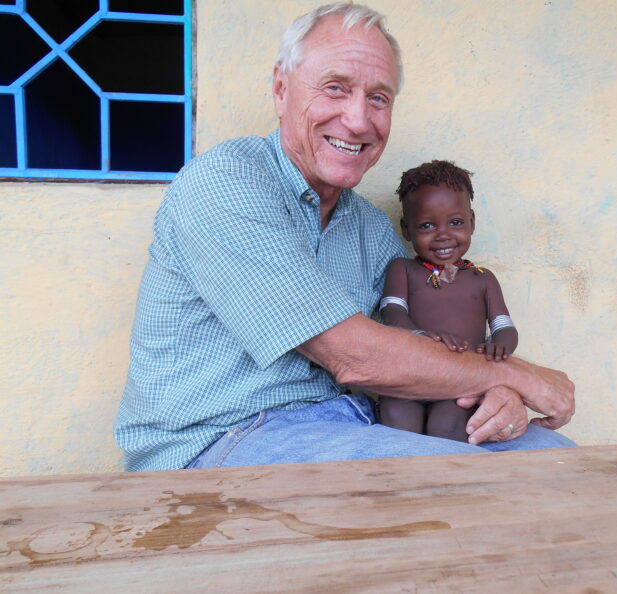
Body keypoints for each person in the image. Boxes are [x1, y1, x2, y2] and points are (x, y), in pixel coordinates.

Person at [114, 3, 575, 472]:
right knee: (460, 481)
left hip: (348, 426)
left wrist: (496, 393)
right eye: (335, 88)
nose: (357, 120)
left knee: (556, 461)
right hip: (219, 442)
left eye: (378, 98)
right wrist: (516, 374)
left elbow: (413, 350)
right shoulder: (226, 182)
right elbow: (356, 357)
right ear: (281, 89)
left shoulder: (372, 230)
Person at [379, 160, 518, 441]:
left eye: (456, 223)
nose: (443, 235)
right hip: (407, 377)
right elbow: (392, 312)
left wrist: (498, 347)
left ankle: (445, 485)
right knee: (398, 420)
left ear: (472, 222)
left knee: (450, 425)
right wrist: (421, 336)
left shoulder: (482, 278)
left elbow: (504, 325)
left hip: (459, 382)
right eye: (427, 225)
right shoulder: (403, 269)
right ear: (406, 229)